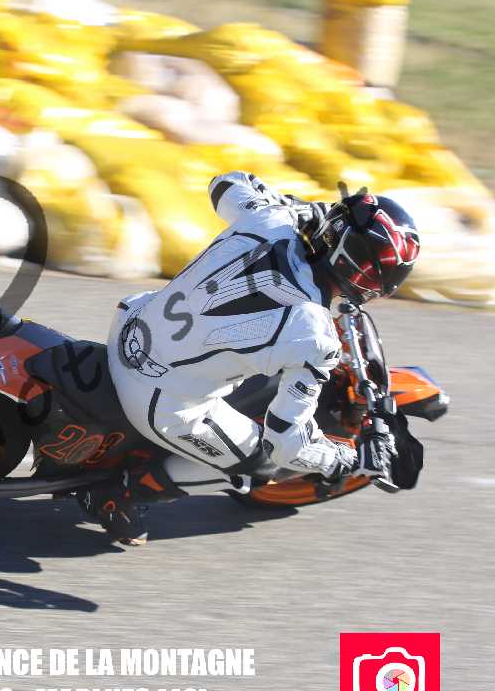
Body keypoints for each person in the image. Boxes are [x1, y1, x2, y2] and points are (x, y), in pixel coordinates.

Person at [80, 171, 420, 545]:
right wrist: (348, 461)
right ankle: (120, 494)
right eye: (376, 277)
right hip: (157, 402)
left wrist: (301, 209)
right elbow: (287, 444)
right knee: (263, 462)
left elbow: (224, 183)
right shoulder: (315, 337)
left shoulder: (271, 217)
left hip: (128, 326)